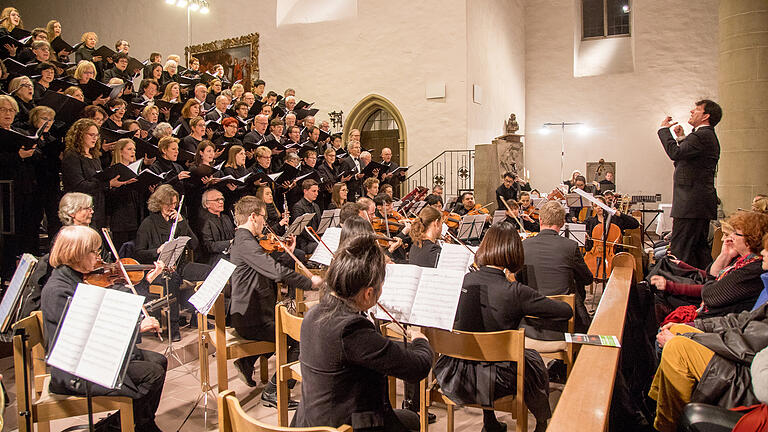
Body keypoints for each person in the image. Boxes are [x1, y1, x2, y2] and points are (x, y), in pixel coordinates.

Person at [434, 222, 573, 432]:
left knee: (485, 349)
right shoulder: (515, 291)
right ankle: (542, 422)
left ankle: (490, 423)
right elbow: (565, 311)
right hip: (495, 380)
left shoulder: (465, 280)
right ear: (515, 252)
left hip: (454, 373)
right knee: (532, 359)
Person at [292, 234, 433, 431]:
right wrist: (421, 341)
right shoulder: (351, 330)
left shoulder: (315, 312)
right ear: (368, 293)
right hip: (344, 426)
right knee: (412, 421)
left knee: (407, 419)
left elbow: (365, 351)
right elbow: (418, 367)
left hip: (311, 420)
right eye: (380, 287)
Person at [41, 225, 167, 432]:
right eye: (94, 251)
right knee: (151, 374)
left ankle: (142, 423)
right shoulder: (59, 290)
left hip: (93, 355)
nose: (99, 258)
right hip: (76, 369)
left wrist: (145, 283)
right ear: (76, 253)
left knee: (159, 361)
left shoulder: (76, 278)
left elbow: (116, 304)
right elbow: (87, 335)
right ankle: (117, 427)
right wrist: (136, 329)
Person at [648, 233, 768, 432]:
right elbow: (741, 320)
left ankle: (666, 425)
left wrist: (691, 336)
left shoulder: (753, 270)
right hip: (744, 356)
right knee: (677, 329)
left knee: (678, 347)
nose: (763, 252)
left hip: (750, 376)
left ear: (748, 239)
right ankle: (656, 406)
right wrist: (696, 329)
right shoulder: (751, 269)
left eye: (735, 233)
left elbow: (744, 343)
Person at [228, 195, 322, 405]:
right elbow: (276, 273)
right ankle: (274, 391)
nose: (265, 223)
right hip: (250, 318)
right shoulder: (245, 242)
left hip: (254, 312)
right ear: (253, 217)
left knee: (288, 330)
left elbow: (264, 264)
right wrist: (310, 282)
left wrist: (286, 252)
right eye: (263, 217)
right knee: (302, 340)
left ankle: (246, 361)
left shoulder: (244, 240)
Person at [650, 210, 768, 321]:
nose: (730, 238)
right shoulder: (742, 260)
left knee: (657, 296)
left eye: (735, 234)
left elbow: (710, 295)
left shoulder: (753, 267)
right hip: (714, 310)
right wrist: (724, 255)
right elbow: (710, 278)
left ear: (750, 239)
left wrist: (670, 286)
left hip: (718, 317)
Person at [658, 100, 722, 270]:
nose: (692, 111)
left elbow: (676, 153)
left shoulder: (702, 135)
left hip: (691, 204)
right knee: (697, 252)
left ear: (706, 116)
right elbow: (687, 161)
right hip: (697, 203)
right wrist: (681, 138)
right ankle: (705, 286)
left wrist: (664, 131)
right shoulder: (703, 136)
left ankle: (677, 289)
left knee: (681, 251)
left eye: (697, 110)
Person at [134, 184, 200, 341]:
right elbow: (138, 252)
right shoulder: (148, 223)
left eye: (175, 203)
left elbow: (194, 244)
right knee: (171, 279)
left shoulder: (177, 221)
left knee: (209, 271)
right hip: (157, 269)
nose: (172, 207)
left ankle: (198, 317)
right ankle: (172, 327)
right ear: (159, 203)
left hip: (179, 265)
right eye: (168, 204)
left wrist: (182, 222)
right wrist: (157, 250)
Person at [516, 200, 593, 332]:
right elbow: (587, 279)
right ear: (562, 223)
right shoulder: (570, 246)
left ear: (540, 220)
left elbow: (519, 279)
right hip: (562, 315)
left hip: (532, 316)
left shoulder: (524, 245)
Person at [61, 118, 133, 229]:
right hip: (80, 210)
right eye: (91, 135)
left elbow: (99, 180)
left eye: (97, 135)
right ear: (79, 135)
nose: (95, 138)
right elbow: (78, 186)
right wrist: (107, 184)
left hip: (98, 207)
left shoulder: (94, 157)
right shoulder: (72, 156)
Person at [198, 188, 235, 265]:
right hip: (214, 259)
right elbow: (209, 246)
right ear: (206, 204)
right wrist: (229, 242)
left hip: (231, 254)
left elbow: (232, 236)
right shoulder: (205, 221)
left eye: (222, 199)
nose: (221, 202)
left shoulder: (226, 217)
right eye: (217, 200)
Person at [290, 179, 321, 254]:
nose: (316, 194)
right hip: (304, 243)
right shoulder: (298, 207)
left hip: (315, 239)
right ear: (305, 191)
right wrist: (317, 239)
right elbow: (301, 231)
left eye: (317, 191)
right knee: (319, 246)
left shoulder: (316, 206)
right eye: (313, 191)